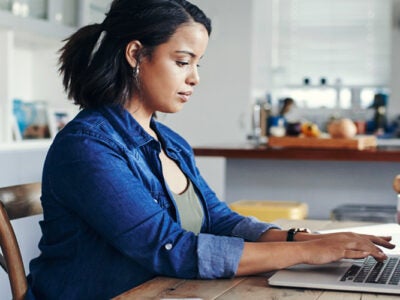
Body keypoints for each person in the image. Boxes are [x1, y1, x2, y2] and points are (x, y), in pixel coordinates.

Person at [27, 0, 395, 299]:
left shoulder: (169, 142)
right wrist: (304, 253)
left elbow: (221, 221)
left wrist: (306, 239)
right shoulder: (88, 146)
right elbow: (169, 248)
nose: (194, 78)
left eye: (197, 64)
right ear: (136, 54)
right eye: (182, 61)